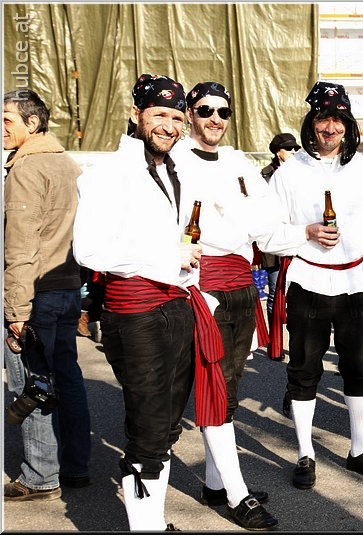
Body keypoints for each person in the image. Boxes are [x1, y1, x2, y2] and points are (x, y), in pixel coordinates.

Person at [73, 73, 200, 531]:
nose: (169, 126)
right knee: (148, 430)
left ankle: (153, 522)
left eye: (177, 118)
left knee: (167, 427)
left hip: (177, 307)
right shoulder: (106, 174)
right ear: (136, 114)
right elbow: (89, 251)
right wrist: (169, 256)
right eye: (159, 115)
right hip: (135, 314)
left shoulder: (175, 170)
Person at [260, 81, 363, 490]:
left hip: (355, 283)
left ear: (348, 125)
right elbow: (267, 233)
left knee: (359, 366)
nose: (330, 127)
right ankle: (305, 453)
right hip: (308, 281)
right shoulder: (289, 172)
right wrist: (304, 232)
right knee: (304, 369)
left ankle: (359, 449)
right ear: (311, 122)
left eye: (339, 119)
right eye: (323, 118)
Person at [169, 81, 278, 530]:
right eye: (205, 110)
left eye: (223, 112)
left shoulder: (237, 162)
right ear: (189, 113)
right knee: (212, 389)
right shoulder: (174, 159)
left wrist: (234, 213)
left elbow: (267, 220)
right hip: (200, 286)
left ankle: (216, 483)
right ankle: (236, 494)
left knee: (228, 389)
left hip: (240, 285)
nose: (215, 118)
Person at [3, 88, 92, 500]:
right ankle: (75, 466)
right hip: (67, 289)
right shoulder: (68, 164)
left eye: (7, 120)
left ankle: (41, 476)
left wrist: (15, 310)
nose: (2, 128)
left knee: (33, 384)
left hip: (36, 293)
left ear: (32, 122)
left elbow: (20, 246)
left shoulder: (26, 169)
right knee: (67, 378)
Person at [260, 132, 301, 320]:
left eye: (296, 148)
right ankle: (275, 337)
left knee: (297, 295)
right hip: (274, 243)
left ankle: (295, 334)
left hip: (299, 240)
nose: (293, 151)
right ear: (278, 152)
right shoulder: (265, 175)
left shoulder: (302, 174)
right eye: (289, 148)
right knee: (276, 293)